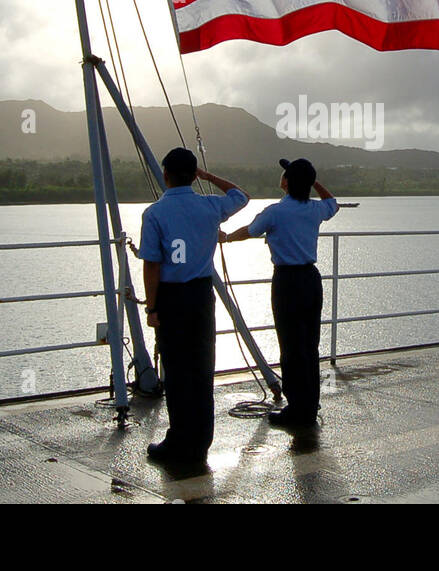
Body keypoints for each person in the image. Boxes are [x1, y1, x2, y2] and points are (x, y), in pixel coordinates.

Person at [139, 147, 249, 464]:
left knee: (175, 370)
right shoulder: (210, 207)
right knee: (201, 368)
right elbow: (242, 195)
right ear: (193, 174)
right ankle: (201, 440)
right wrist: (208, 176)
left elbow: (152, 266)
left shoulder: (155, 214)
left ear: (166, 175)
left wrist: (152, 308)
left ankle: (178, 441)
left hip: (172, 297)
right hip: (202, 295)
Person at [221, 158, 338, 428]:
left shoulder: (275, 212)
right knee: (309, 345)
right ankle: (308, 403)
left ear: (285, 182)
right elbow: (333, 202)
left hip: (287, 281)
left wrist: (225, 237)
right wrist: (312, 181)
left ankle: (297, 409)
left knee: (290, 346)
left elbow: (249, 231)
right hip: (311, 279)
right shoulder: (315, 209)